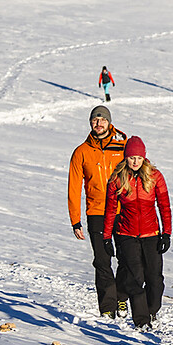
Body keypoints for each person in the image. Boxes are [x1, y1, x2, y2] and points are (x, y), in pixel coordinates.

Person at [103, 136, 171, 329]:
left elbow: (164, 206)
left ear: (144, 158)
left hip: (151, 235)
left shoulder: (155, 176)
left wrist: (166, 233)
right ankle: (141, 320)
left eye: (139, 158)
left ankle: (152, 310)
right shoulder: (117, 179)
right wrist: (107, 237)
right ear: (126, 158)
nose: (135, 162)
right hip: (127, 235)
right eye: (132, 157)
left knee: (155, 278)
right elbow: (110, 211)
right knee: (135, 277)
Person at [67, 105, 127, 317]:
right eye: (95, 120)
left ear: (109, 123)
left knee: (126, 258)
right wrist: (75, 220)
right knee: (102, 261)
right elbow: (73, 188)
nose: (99, 124)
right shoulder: (81, 152)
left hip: (122, 210)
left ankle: (121, 297)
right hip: (96, 213)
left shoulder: (122, 147)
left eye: (102, 120)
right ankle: (108, 307)